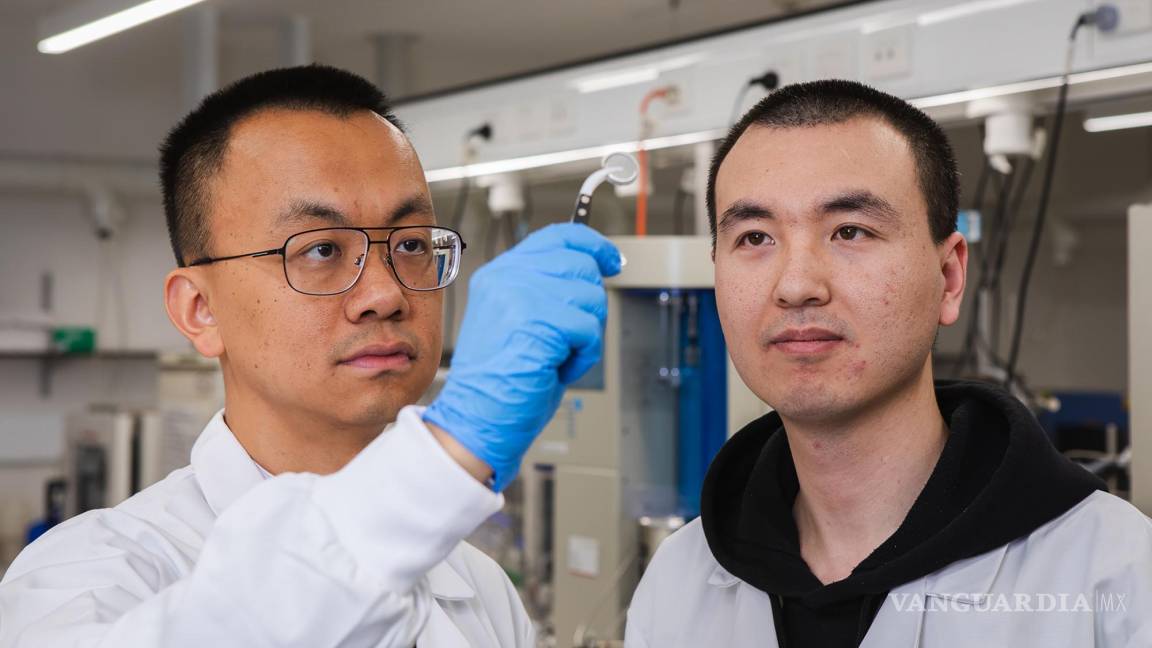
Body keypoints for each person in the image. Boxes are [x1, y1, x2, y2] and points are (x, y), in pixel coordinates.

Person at [0, 65, 620, 647]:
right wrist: (450, 453)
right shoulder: (95, 573)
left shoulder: (478, 588)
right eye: (320, 250)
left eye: (408, 243)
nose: (385, 293)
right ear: (199, 309)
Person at [625, 80, 1152, 647]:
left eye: (850, 230)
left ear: (949, 278)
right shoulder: (680, 581)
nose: (796, 285)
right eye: (755, 237)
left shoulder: (1114, 575)